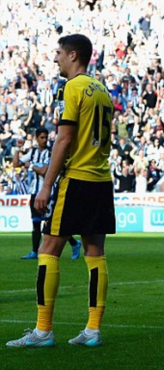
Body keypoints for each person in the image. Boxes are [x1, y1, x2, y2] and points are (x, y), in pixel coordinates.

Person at [7, 34, 115, 348]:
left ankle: (43, 331)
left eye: (58, 53)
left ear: (73, 55)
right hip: (101, 179)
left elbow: (65, 139)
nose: (55, 58)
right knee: (95, 254)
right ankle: (93, 330)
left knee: (48, 249)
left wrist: (46, 184)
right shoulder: (102, 91)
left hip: (77, 179)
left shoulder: (72, 88)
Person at [13, 129, 83, 261]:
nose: (45, 140)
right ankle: (34, 251)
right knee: (36, 223)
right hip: (35, 192)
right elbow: (16, 164)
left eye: (46, 137)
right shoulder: (33, 152)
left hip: (48, 193)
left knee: (51, 224)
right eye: (42, 138)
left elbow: (44, 171)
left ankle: (74, 243)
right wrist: (17, 148)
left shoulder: (51, 153)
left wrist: (31, 165)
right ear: (36, 139)